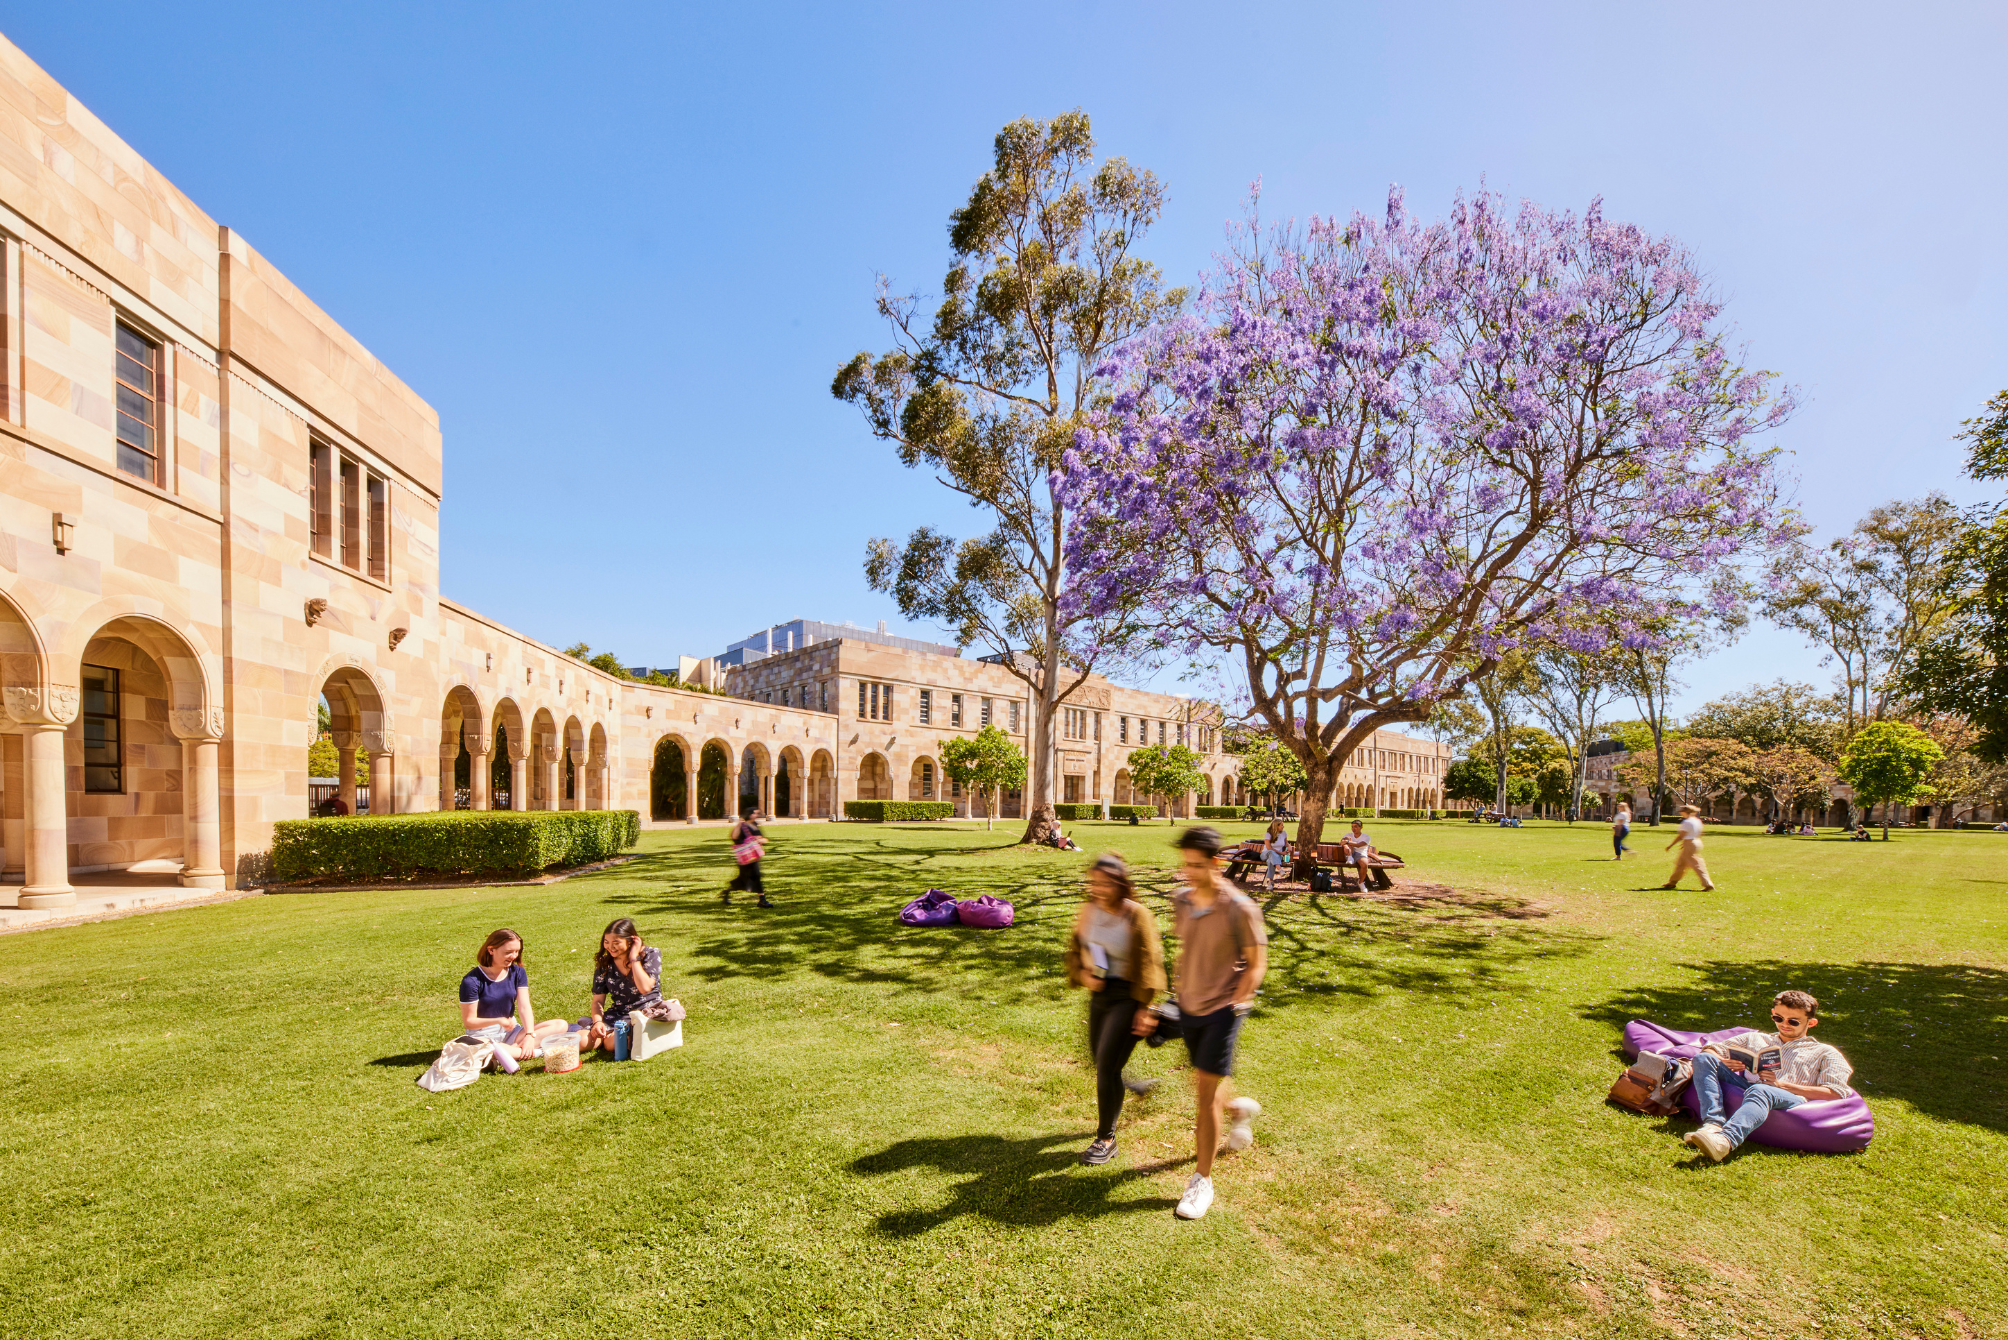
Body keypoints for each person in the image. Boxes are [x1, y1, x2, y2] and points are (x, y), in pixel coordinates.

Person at [1168, 826, 1268, 1220]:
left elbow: (1257, 961)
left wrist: (1240, 996)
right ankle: (1239, 1111)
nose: (1190, 873)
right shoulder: (1182, 900)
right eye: (1186, 864)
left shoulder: (1239, 908)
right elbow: (1189, 948)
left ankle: (1201, 1182)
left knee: (1204, 1095)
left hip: (1223, 1010)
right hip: (1189, 1006)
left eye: (1197, 865)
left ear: (1216, 862)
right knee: (1203, 1080)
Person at [1062, 853, 1168, 1166]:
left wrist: (1144, 1007)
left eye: (1106, 883)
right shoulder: (1087, 911)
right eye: (1094, 882)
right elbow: (1074, 951)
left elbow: (1150, 962)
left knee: (1107, 1065)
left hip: (1128, 995)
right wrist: (1082, 975)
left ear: (1120, 883)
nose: (1098, 888)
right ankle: (1133, 1085)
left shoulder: (1136, 914)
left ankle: (1106, 1139)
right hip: (1101, 993)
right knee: (1101, 1059)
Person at [1681, 990, 1854, 1161]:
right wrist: (1721, 1059)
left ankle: (1725, 1141)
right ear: (1773, 1014)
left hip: (1791, 1097)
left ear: (1812, 1022)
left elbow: (1835, 1092)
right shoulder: (1755, 1039)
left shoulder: (1826, 1052)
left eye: (1793, 1021)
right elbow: (1712, 1048)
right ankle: (1713, 1125)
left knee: (1762, 1089)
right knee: (1704, 1058)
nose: (1784, 1024)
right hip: (1750, 1087)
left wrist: (1780, 1085)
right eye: (1778, 1018)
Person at [458, 928, 570, 1072]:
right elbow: (469, 1022)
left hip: (511, 1032)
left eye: (517, 951)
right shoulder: (472, 981)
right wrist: (498, 1020)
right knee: (487, 1046)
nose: (513, 956)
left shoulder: (517, 972)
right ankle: (536, 1052)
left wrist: (529, 1034)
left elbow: (524, 1006)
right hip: (483, 1036)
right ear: (491, 950)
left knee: (560, 1025)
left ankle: (507, 1053)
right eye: (508, 952)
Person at [582, 917, 677, 1056]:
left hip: (645, 1012)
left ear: (631, 941)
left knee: (610, 1044)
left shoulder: (650, 954)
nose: (610, 947)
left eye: (616, 943)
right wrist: (597, 1022)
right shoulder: (605, 963)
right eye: (606, 942)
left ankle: (619, 1035)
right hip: (619, 1014)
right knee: (584, 1039)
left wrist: (634, 958)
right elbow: (597, 1001)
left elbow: (645, 988)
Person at [1659, 804, 1715, 891]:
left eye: (1681, 811)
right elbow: (1700, 833)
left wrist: (1671, 845)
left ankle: (1708, 884)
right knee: (1681, 864)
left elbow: (1681, 836)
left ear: (1685, 812)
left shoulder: (1687, 822)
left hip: (1690, 843)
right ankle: (1672, 882)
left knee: (1697, 865)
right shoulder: (1697, 821)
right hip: (1696, 842)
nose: (1681, 813)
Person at [725, 807, 771, 908]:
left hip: (754, 856)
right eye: (755, 813)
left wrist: (761, 840)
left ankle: (727, 892)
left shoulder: (755, 825)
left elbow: (762, 838)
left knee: (748, 878)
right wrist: (739, 824)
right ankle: (762, 900)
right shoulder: (742, 825)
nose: (757, 815)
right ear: (749, 814)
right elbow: (734, 837)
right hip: (745, 858)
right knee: (754, 876)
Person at [1338, 819, 1374, 890]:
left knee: (1364, 864)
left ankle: (1361, 882)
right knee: (1348, 839)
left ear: (1361, 827)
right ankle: (1350, 857)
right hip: (1348, 852)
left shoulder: (1366, 837)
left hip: (1360, 854)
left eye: (1355, 827)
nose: (1353, 829)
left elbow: (1359, 845)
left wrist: (1347, 842)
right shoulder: (1348, 835)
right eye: (1352, 827)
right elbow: (1341, 842)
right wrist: (1345, 845)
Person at [1259, 820, 1290, 891]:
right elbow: (1269, 848)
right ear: (1276, 826)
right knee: (1271, 852)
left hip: (1276, 856)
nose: (1283, 826)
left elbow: (1286, 843)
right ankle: (1280, 869)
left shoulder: (1284, 833)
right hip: (1265, 854)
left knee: (1270, 861)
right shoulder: (1268, 834)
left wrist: (1289, 846)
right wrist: (1281, 853)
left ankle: (1270, 882)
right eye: (1281, 825)